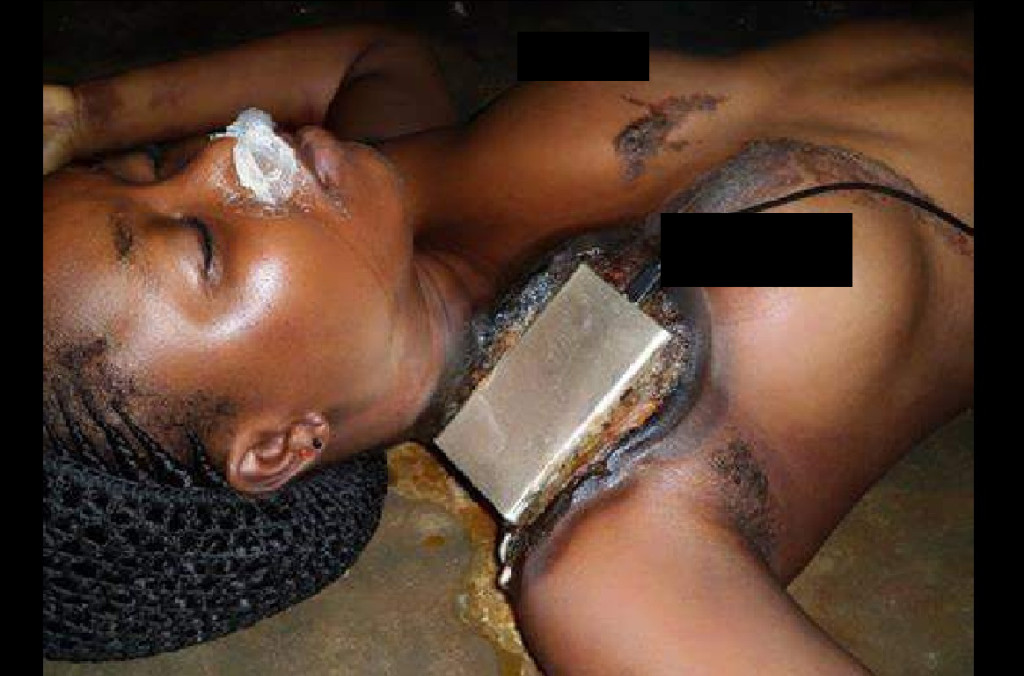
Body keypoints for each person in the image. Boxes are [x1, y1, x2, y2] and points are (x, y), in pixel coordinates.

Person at [43, 13, 973, 674]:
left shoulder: (396, 189)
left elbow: (372, 52)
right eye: (199, 245)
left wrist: (86, 114)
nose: (220, 150)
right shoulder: (608, 548)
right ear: (281, 445)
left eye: (156, 165)